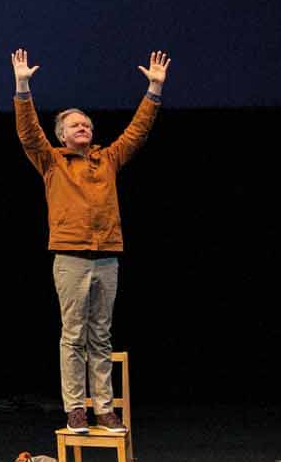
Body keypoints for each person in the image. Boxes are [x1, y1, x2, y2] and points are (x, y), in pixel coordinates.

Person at [11, 48, 169, 433]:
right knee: (73, 335)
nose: (83, 128)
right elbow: (28, 131)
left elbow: (137, 132)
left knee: (101, 335)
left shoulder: (108, 159)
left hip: (107, 257)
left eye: (86, 124)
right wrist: (22, 85)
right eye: (75, 125)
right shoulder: (52, 161)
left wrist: (153, 89)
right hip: (70, 256)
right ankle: (75, 409)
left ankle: (103, 409)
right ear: (62, 135)